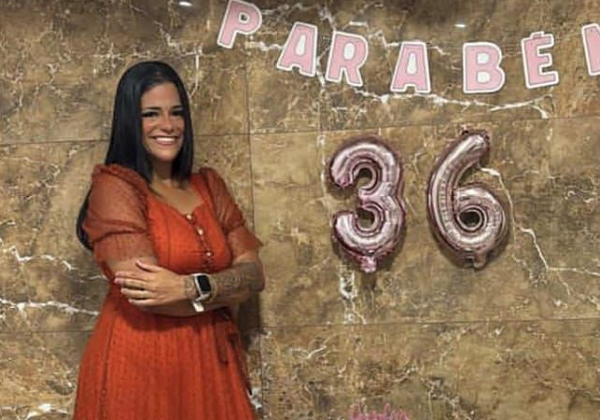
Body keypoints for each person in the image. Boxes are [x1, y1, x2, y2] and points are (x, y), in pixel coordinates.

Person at [74, 61, 264, 419]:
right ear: (130, 122)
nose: (168, 125)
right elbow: (149, 297)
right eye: (151, 114)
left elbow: (254, 276)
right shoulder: (115, 187)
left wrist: (189, 287)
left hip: (212, 363)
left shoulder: (209, 185)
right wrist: (226, 289)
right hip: (141, 364)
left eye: (176, 113)